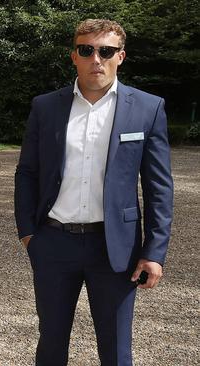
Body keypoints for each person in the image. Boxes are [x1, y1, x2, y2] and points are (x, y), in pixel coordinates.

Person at [14, 19, 174, 365]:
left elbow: (159, 187)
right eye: (87, 50)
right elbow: (27, 172)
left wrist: (155, 252)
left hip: (116, 248)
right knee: (51, 344)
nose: (96, 59)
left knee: (116, 350)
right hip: (54, 243)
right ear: (74, 56)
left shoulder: (147, 108)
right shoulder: (46, 107)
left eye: (106, 51)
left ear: (121, 56)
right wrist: (28, 232)